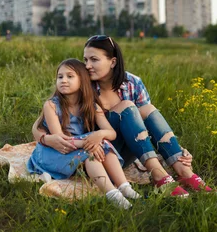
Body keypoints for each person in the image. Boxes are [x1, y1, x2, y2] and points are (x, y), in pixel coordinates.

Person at [33, 36, 212, 197]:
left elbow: (148, 125)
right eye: (86, 59)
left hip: (128, 149)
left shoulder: (133, 83)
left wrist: (177, 149)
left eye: (94, 59)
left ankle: (184, 171)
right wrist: (49, 139)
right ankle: (158, 174)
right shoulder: (83, 85)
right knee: (127, 106)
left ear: (112, 62)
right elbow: (39, 125)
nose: (87, 65)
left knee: (146, 108)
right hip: (99, 153)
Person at [28, 58, 141, 209]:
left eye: (70, 76)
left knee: (102, 144)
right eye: (60, 77)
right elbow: (60, 139)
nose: (63, 80)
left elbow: (111, 133)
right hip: (55, 152)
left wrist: (98, 136)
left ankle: (124, 186)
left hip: (79, 148)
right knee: (92, 151)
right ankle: (112, 194)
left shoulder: (91, 106)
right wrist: (89, 143)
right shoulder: (51, 105)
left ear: (82, 80)